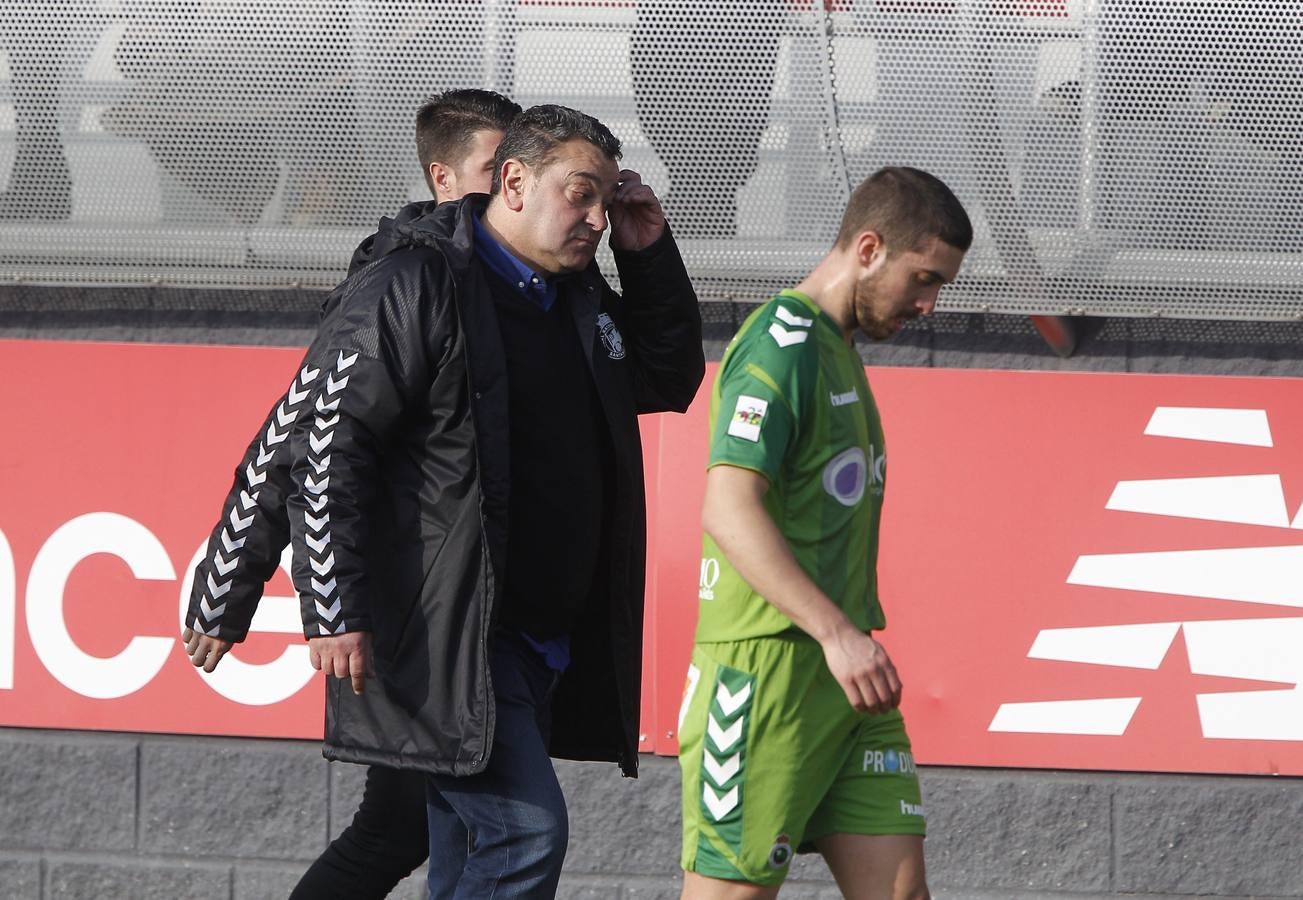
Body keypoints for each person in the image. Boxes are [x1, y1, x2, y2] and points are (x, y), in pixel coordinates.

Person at [179, 89, 522, 900]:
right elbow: (299, 442)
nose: (510, 184)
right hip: (412, 617)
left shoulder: (515, 278)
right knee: (442, 829)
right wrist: (254, 590)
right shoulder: (405, 277)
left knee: (407, 828)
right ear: (443, 176)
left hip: (466, 619)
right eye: (491, 168)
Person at [677, 167, 970, 899]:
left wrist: (845, 643)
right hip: (765, 668)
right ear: (868, 247)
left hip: (849, 685)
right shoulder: (781, 343)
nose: (929, 304)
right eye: (923, 278)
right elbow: (728, 507)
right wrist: (837, 633)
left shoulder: (836, 346)